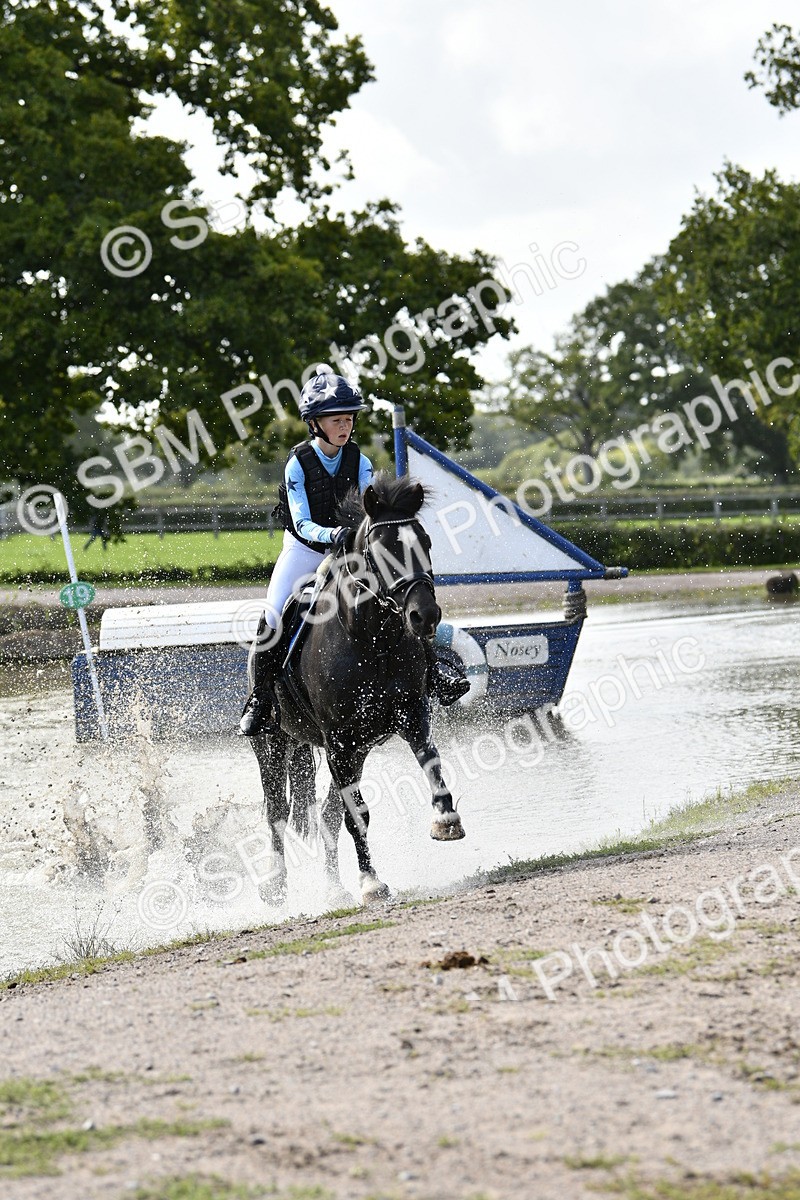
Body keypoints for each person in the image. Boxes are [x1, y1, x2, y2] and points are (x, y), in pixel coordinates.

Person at [239, 363, 469, 737]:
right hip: (304, 550)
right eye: (335, 421)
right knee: (274, 615)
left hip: (351, 550)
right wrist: (335, 535)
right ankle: (261, 698)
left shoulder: (359, 461)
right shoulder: (298, 462)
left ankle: (433, 674)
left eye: (348, 419)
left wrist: (361, 535)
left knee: (395, 598)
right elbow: (300, 523)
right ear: (315, 423)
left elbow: (368, 509)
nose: (344, 427)